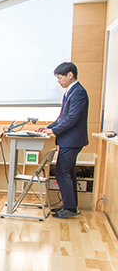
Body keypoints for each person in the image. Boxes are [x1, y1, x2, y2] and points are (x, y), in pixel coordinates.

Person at [39, 62, 89, 219]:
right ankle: (70, 205)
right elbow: (62, 118)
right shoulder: (70, 92)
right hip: (69, 140)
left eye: (60, 78)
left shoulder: (78, 92)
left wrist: (53, 131)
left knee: (61, 172)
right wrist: (49, 127)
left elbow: (72, 118)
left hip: (72, 140)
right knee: (69, 173)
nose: (59, 81)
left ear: (70, 75)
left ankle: (70, 207)